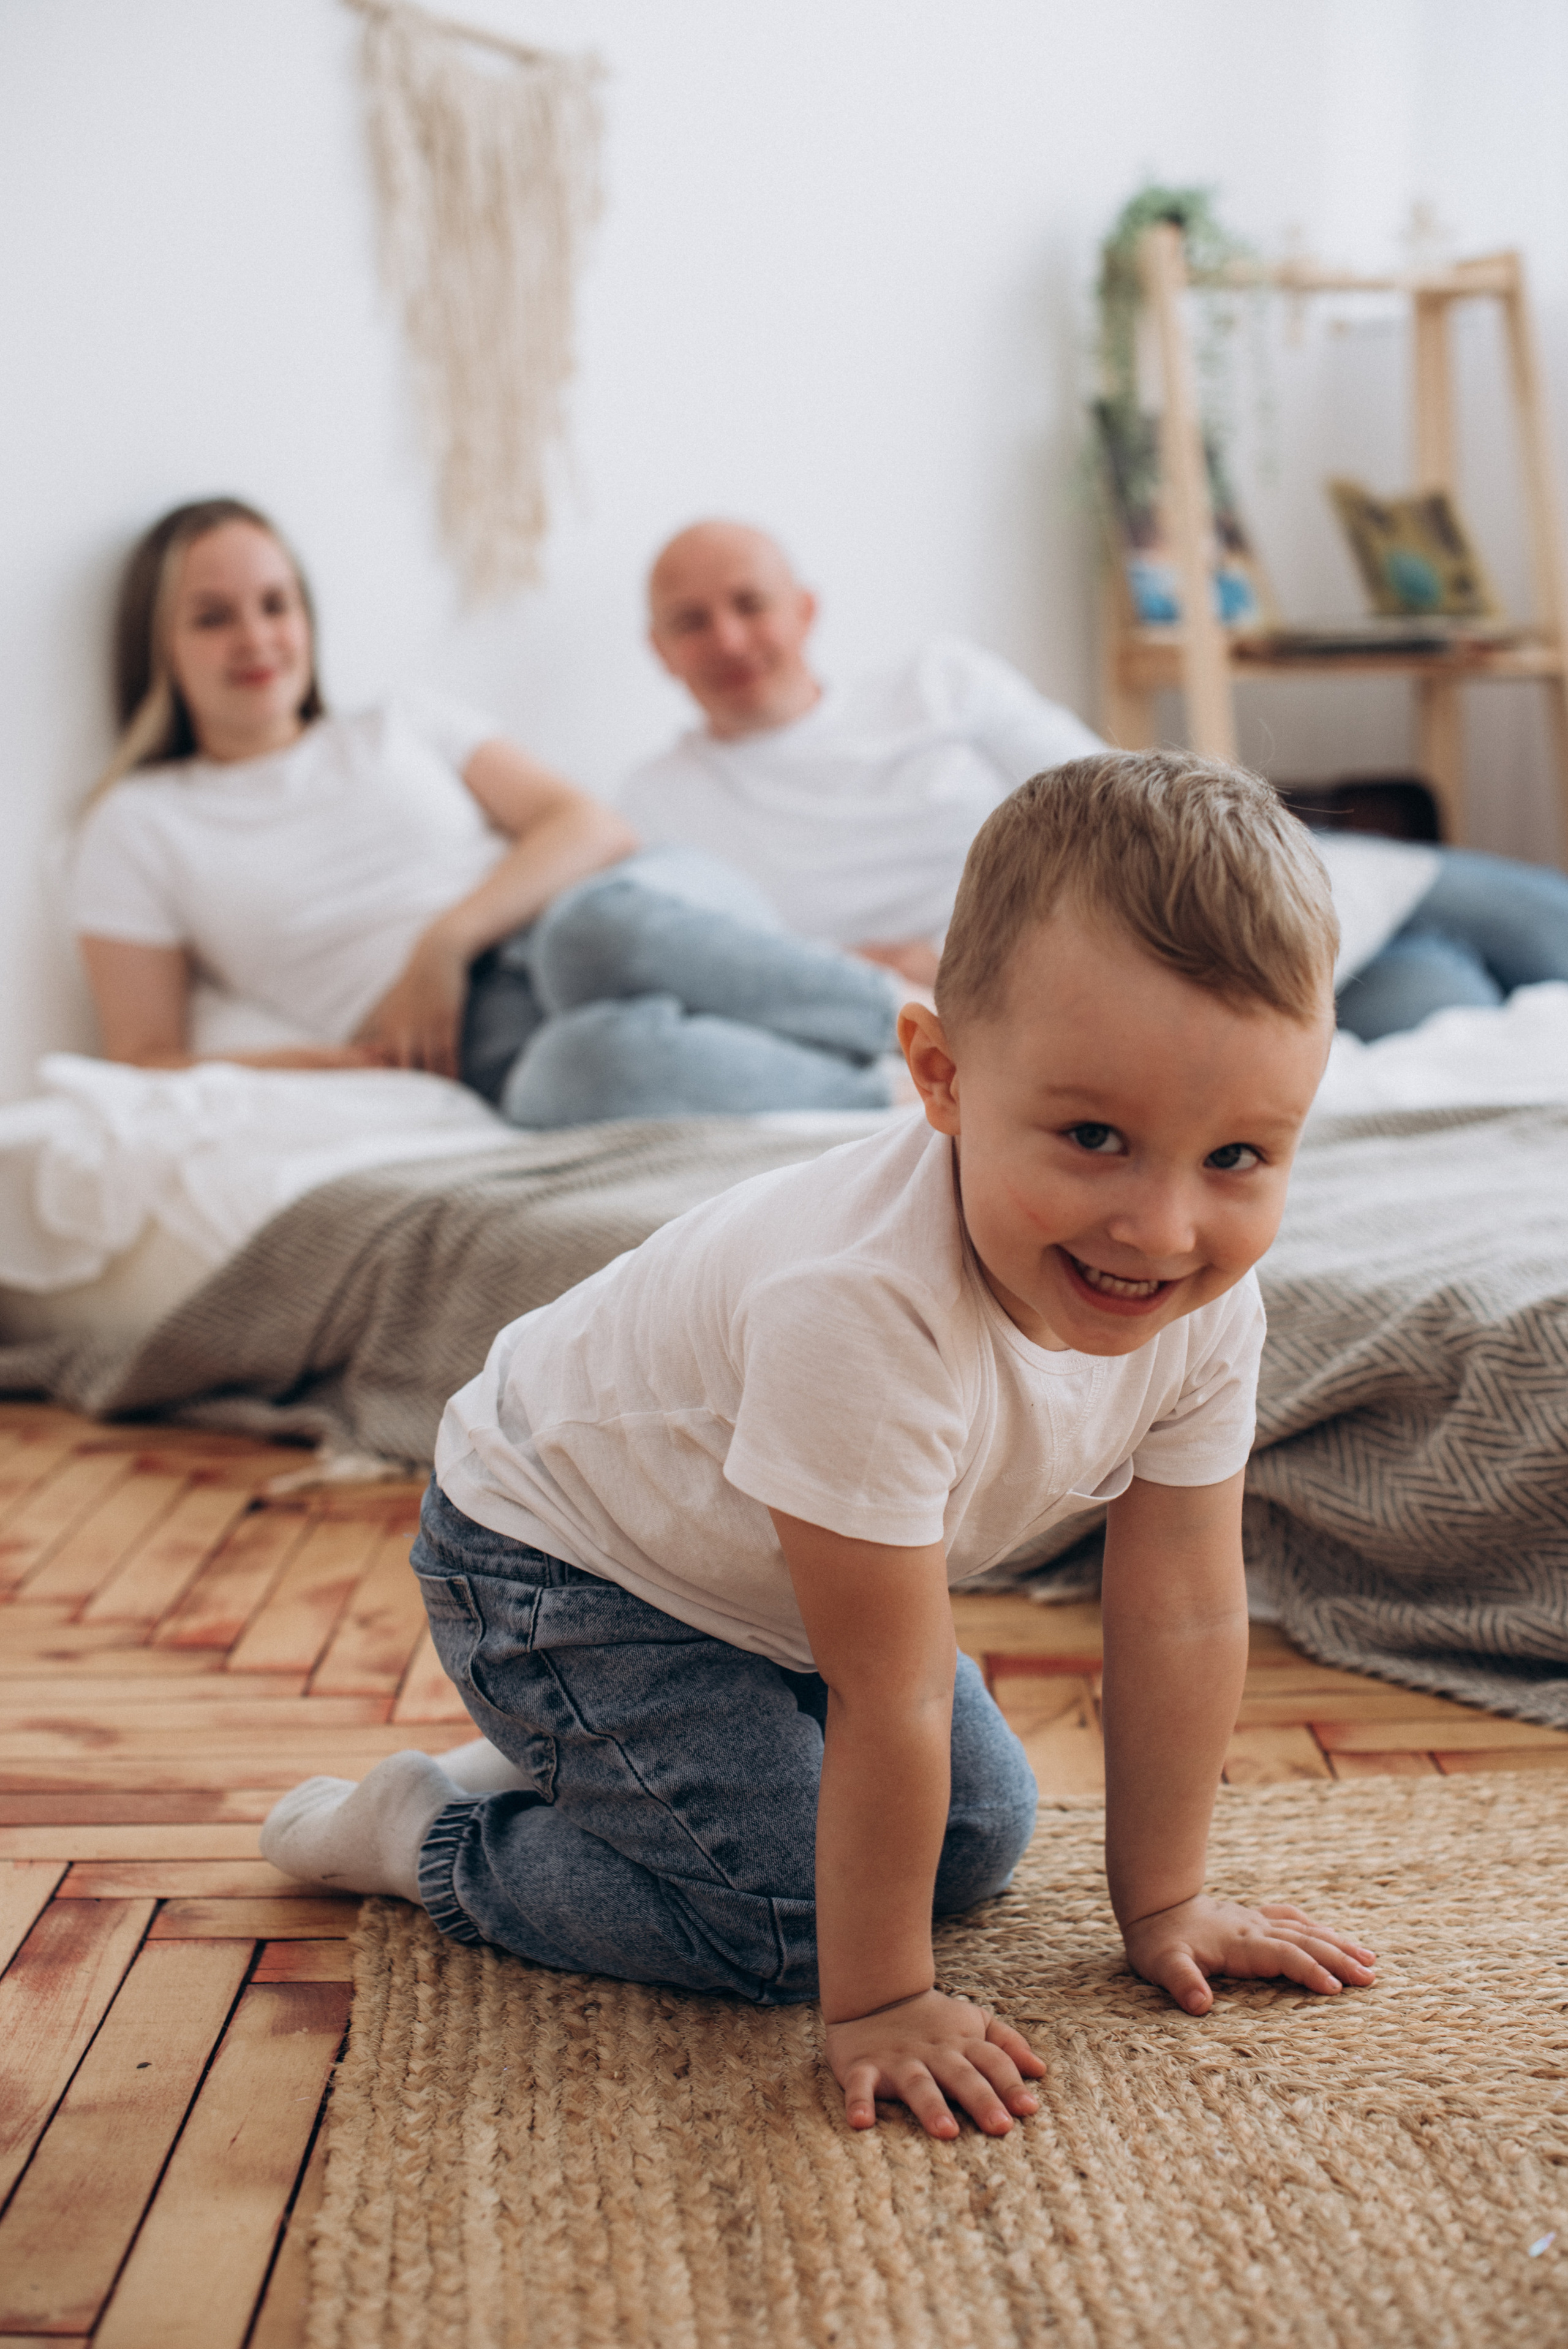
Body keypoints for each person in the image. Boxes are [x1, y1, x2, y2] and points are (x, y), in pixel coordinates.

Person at [262, 749, 1376, 2141]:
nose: (1159, 1231)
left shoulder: (1203, 1305)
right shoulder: (855, 1305)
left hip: (763, 1591)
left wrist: (1164, 1901)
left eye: (1235, 1160)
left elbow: (1182, 1607)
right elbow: (892, 1687)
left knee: (973, 1846)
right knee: (792, 1920)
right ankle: (422, 1830)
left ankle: (588, 1766)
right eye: (1093, 1136)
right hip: (556, 1568)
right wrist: (877, 2003)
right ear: (940, 1077)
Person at [70, 500, 903, 1126]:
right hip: (477, 1042)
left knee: (588, 936)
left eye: (276, 605)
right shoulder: (136, 824)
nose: (256, 639)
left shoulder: (398, 722)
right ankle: (891, 1090)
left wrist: (445, 942)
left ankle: (917, 1019)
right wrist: (338, 1064)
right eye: (213, 617)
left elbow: (591, 826)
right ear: (159, 642)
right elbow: (145, 1059)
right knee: (575, 1075)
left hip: (620, 917)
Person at [624, 520, 1568, 1036]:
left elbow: (1121, 800)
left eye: (748, 604)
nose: (731, 639)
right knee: (1446, 1009)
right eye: (691, 620)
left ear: (804, 609)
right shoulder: (659, 801)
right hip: (1101, 978)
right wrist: (937, 965)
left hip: (1219, 892)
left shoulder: (934, 682)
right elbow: (737, 967)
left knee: (1526, 918)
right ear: (660, 651)